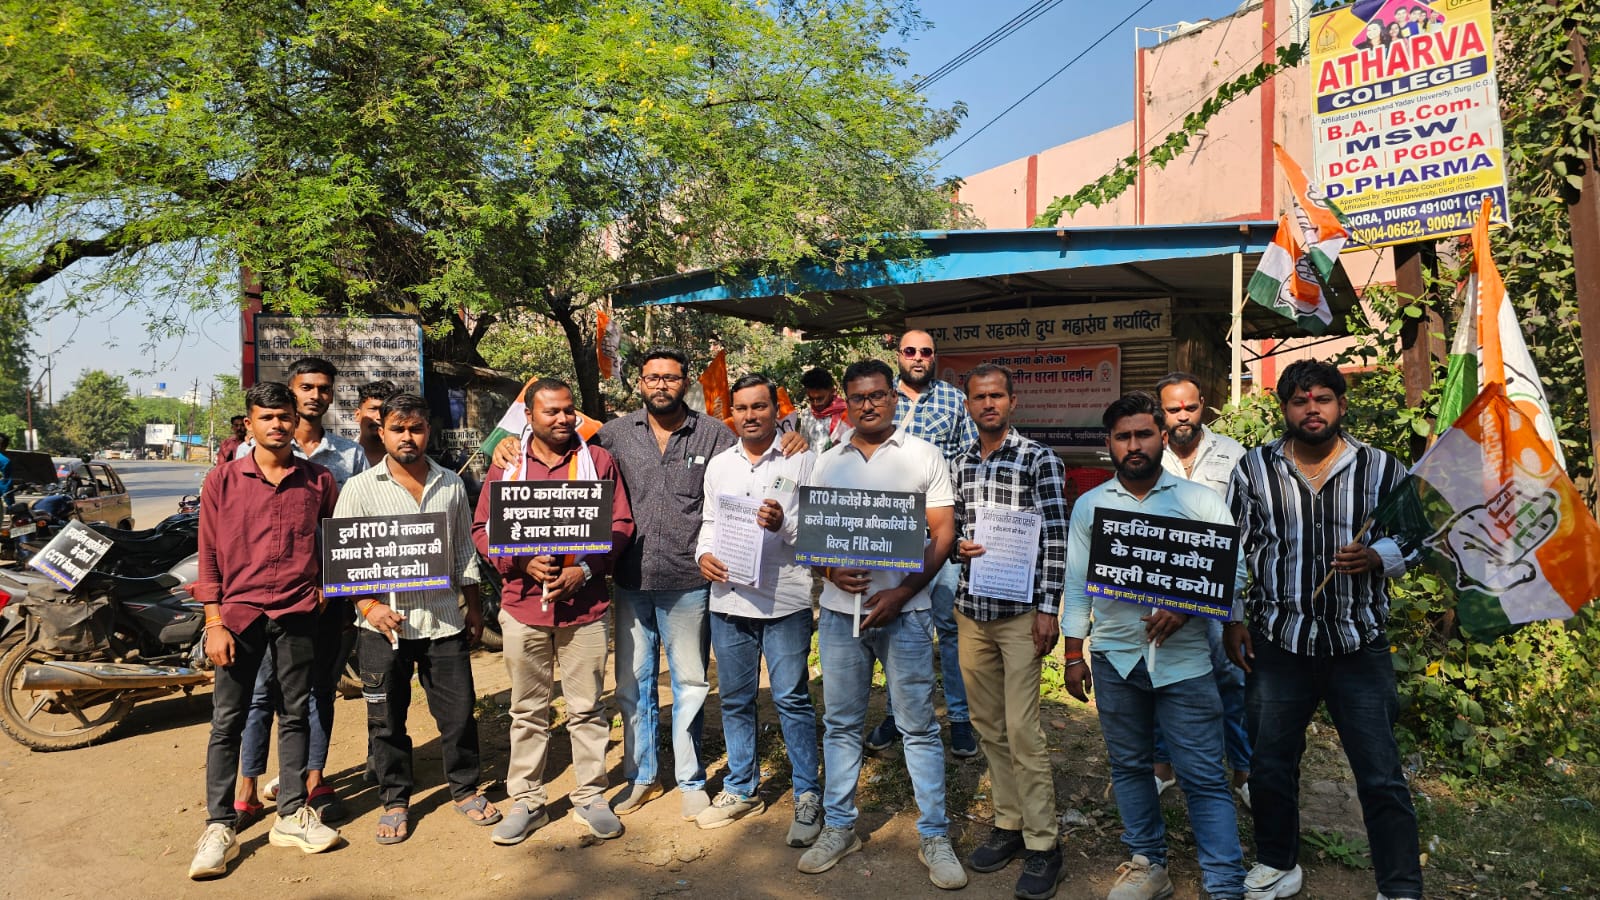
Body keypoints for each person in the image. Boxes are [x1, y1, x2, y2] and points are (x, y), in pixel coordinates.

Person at [1223, 361, 1422, 900]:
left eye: (1324, 399)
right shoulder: (1253, 469)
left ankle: (1400, 886)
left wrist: (1379, 556)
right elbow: (1233, 548)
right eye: (1300, 400)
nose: (1313, 409)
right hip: (1278, 641)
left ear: (1341, 404)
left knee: (1379, 772)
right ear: (1284, 408)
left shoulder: (1381, 469)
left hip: (1358, 644)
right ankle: (1277, 862)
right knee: (1270, 764)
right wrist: (1234, 618)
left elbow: (1420, 537)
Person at [1061, 392, 1247, 900]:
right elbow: (1076, 585)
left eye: (1144, 434)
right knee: (1129, 767)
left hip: (1185, 663)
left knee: (1205, 777)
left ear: (1162, 438)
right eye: (1124, 437)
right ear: (1109, 445)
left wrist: (1187, 604)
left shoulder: (1199, 501)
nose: (1134, 445)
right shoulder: (1090, 507)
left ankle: (1225, 884)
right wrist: (1074, 653)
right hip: (1116, 658)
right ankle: (1149, 865)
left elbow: (1234, 571)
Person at [798, 358, 966, 890]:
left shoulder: (923, 455)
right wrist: (828, 567)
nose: (867, 404)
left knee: (917, 726)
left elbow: (942, 534)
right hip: (839, 618)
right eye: (857, 397)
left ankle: (934, 835)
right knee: (841, 724)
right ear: (845, 402)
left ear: (894, 397)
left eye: (877, 395)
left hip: (907, 616)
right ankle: (840, 826)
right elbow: (810, 537)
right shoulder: (827, 461)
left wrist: (903, 591)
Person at [188, 382, 342, 879]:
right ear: (249, 423)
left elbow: (331, 543)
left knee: (295, 713)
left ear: (296, 422)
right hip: (237, 616)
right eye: (267, 417)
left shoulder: (318, 481)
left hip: (297, 613)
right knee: (227, 720)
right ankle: (219, 825)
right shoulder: (223, 481)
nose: (277, 424)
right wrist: (213, 622)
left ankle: (291, 813)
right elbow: (207, 556)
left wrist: (325, 587)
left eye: (284, 417)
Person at [474, 378, 635, 844]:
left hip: (584, 607)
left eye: (569, 411)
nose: (563, 419)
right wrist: (522, 560)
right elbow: (482, 528)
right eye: (551, 412)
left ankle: (590, 795)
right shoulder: (507, 466)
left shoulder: (597, 462)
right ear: (529, 417)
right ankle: (527, 800)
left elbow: (621, 524)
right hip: (523, 608)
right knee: (528, 710)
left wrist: (584, 570)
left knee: (587, 708)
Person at [332, 391, 498, 844]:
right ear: (381, 432)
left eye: (417, 428)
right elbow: (345, 560)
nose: (408, 436)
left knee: (460, 713)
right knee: (386, 719)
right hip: (381, 628)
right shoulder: (359, 488)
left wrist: (476, 608)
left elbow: (464, 551)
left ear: (429, 431)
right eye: (398, 429)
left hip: (444, 620)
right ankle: (395, 799)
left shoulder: (449, 484)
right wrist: (369, 606)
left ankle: (465, 789)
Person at [951, 365, 1070, 899]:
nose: (989, 404)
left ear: (1013, 402)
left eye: (997, 395)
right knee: (988, 726)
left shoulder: (1038, 458)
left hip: (1022, 614)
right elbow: (952, 528)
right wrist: (957, 548)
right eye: (979, 397)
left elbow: (1056, 537)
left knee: (1023, 729)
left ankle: (1045, 844)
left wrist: (1049, 609)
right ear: (969, 404)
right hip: (971, 609)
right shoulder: (959, 463)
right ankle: (1009, 824)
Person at [234, 357, 368, 826]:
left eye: (324, 388)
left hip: (326, 597)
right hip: (264, 598)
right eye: (306, 387)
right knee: (259, 692)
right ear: (290, 395)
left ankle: (313, 780)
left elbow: (349, 527)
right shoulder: (242, 458)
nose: (315, 395)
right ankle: (247, 788)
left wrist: (336, 585)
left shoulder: (349, 457)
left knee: (319, 690)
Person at [693, 373, 821, 842]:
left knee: (791, 698)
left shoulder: (801, 459)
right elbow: (709, 522)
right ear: (733, 412)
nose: (750, 416)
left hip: (784, 599)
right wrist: (702, 556)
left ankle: (808, 795)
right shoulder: (719, 465)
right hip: (728, 599)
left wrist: (783, 522)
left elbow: (812, 532)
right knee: (735, 699)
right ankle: (743, 785)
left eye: (760, 407)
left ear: (776, 410)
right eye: (742, 408)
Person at [867, 329, 979, 759]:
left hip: (941, 529)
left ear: (935, 357)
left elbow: (968, 461)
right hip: (890, 532)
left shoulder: (953, 400)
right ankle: (900, 714)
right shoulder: (880, 396)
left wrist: (963, 529)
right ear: (898, 355)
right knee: (898, 622)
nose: (917, 357)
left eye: (926, 351)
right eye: (910, 350)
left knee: (948, 628)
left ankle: (960, 718)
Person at [1151, 373, 1251, 806]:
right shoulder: (1148, 454)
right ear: (1162, 412)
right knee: (1157, 673)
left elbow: (1247, 529)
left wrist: (1236, 610)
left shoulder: (1233, 455)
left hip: (1220, 589)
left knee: (1231, 677)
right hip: (1160, 589)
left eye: (1189, 407)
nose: (1182, 416)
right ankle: (1162, 766)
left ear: (1203, 405)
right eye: (1173, 410)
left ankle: (1244, 771)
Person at [795, 367, 850, 453]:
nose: (816, 403)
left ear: (832, 391)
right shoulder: (807, 415)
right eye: (811, 399)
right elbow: (804, 444)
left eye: (820, 398)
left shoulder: (846, 414)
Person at [356, 379, 399, 468]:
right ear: (357, 415)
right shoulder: (343, 454)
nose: (379, 417)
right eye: (373, 409)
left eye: (386, 410)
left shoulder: (404, 458)